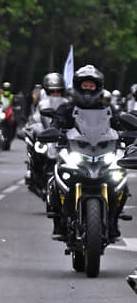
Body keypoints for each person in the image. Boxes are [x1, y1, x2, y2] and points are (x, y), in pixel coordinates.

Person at [50, 64, 127, 239]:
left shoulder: (108, 109)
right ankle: (60, 221)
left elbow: (120, 125)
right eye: (85, 85)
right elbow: (56, 123)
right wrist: (53, 132)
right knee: (55, 178)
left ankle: (113, 220)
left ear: (98, 88)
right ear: (78, 86)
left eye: (91, 86)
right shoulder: (67, 109)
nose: (88, 89)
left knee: (121, 179)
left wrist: (127, 134)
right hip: (75, 153)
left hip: (102, 154)